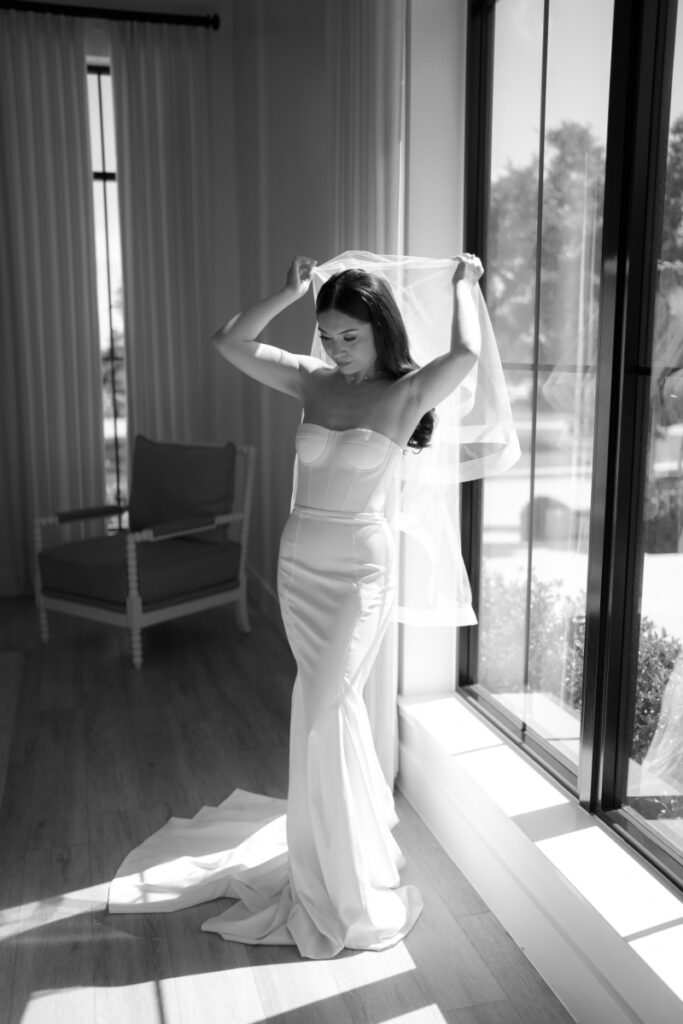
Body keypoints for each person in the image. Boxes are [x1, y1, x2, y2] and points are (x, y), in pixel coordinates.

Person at [108, 252, 484, 960]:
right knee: (321, 709)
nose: (337, 351)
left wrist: (465, 286)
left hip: (358, 574)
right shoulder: (311, 381)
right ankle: (339, 848)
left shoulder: (406, 394)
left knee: (323, 708)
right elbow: (229, 342)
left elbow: (466, 351)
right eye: (328, 335)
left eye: (351, 336)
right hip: (300, 564)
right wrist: (288, 291)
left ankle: (343, 875)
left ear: (380, 330)